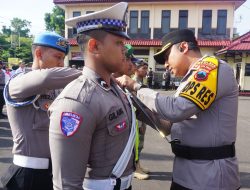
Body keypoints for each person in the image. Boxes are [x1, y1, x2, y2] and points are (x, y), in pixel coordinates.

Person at [117, 29, 240, 190]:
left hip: (210, 177)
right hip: (186, 173)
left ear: (183, 47)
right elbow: (170, 126)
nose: (166, 64)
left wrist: (135, 87)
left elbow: (176, 110)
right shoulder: (188, 80)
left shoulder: (211, 69)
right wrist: (137, 108)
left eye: (167, 57)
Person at [49, 2, 136, 190]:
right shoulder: (77, 101)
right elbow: (67, 186)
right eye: (119, 42)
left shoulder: (115, 89)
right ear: (95, 46)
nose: (125, 49)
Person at [0, 31, 82, 190]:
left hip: (53, 173)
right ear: (38, 54)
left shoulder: (57, 88)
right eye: (58, 57)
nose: (61, 63)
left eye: (63, 59)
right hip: (26, 175)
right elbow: (44, 78)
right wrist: (93, 73)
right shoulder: (19, 82)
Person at [131, 58, 150, 180]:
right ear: (136, 69)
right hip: (137, 117)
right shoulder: (132, 83)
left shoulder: (142, 82)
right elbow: (134, 104)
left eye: (146, 68)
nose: (146, 71)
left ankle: (138, 165)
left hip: (143, 117)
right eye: (143, 68)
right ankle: (134, 169)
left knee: (140, 145)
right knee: (136, 145)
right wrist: (140, 123)